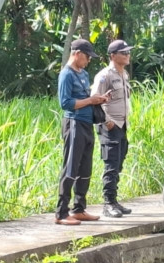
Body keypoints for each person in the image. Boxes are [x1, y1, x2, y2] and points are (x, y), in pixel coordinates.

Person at [55, 39, 111, 226]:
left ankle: (79, 208)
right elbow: (66, 103)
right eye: (87, 56)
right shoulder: (66, 75)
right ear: (77, 53)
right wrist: (90, 101)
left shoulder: (85, 74)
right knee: (70, 167)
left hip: (87, 124)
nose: (88, 60)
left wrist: (99, 100)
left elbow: (86, 98)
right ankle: (61, 213)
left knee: (85, 167)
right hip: (74, 123)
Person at [92, 40, 134, 218]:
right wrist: (106, 121)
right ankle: (108, 203)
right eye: (123, 52)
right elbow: (94, 99)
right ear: (112, 56)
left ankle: (114, 200)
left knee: (119, 162)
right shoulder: (104, 76)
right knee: (111, 164)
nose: (127, 55)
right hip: (110, 125)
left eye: (128, 52)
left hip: (122, 125)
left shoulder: (123, 75)